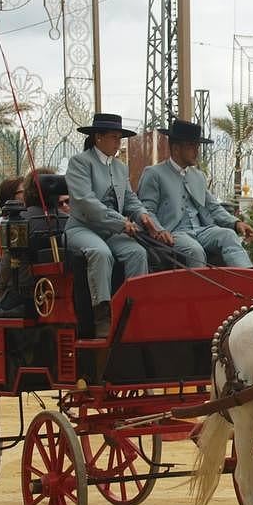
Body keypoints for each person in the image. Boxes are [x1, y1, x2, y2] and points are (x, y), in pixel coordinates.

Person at [65, 113, 172, 338]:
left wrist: (144, 217)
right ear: (98, 138)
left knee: (137, 252)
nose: (118, 143)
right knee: (101, 253)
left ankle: (136, 310)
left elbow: (130, 199)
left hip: (114, 230)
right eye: (114, 137)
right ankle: (102, 316)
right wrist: (121, 222)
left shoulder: (120, 168)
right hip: (83, 228)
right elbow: (86, 202)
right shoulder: (80, 163)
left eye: (119, 138)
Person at [136, 119, 253, 268]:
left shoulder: (198, 176)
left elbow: (213, 207)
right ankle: (202, 291)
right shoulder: (154, 174)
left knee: (228, 235)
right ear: (175, 148)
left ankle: (247, 281)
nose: (196, 151)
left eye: (197, 146)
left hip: (202, 230)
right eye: (191, 146)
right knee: (195, 250)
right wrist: (160, 230)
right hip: (174, 232)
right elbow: (147, 211)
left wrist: (236, 223)